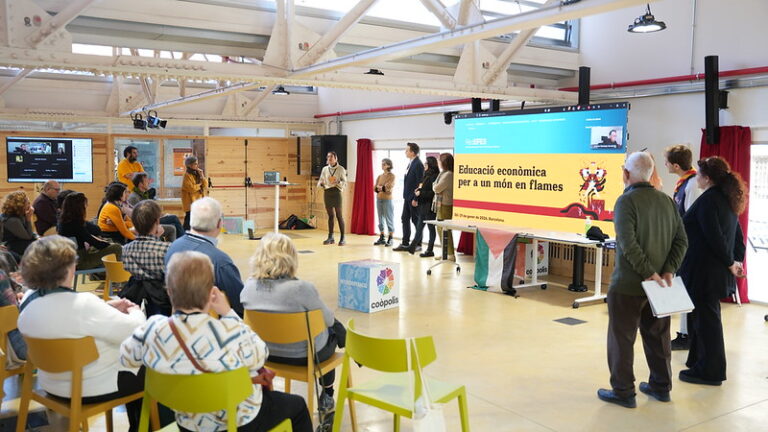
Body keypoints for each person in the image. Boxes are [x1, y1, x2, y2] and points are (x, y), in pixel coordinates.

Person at [121, 251, 312, 432]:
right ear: (211, 293)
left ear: (169, 291)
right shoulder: (230, 331)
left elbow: (126, 359)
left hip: (188, 423)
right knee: (298, 406)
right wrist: (228, 312)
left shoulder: (153, 329)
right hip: (238, 421)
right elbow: (261, 356)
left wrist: (135, 315)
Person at [17, 236, 146, 431]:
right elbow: (134, 329)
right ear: (68, 269)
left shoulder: (27, 302)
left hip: (50, 385)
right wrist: (135, 310)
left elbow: (64, 317)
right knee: (150, 368)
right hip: (90, 388)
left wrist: (107, 306)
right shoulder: (84, 304)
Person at [597, 152, 688, 408]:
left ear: (626, 173)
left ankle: (623, 391)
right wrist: (667, 270)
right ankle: (661, 386)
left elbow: (628, 244)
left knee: (622, 339)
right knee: (659, 337)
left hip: (628, 285)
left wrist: (648, 272)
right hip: (660, 287)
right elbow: (682, 241)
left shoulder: (626, 202)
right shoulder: (666, 201)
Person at [241, 233, 346, 421]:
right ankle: (327, 394)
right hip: (304, 356)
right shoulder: (302, 289)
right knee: (333, 331)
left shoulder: (248, 287)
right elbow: (328, 319)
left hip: (267, 355)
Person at [677, 156, 747, 386]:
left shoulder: (709, 200)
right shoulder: (725, 199)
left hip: (704, 272)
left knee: (707, 322)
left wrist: (730, 262)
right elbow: (737, 237)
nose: (696, 177)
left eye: (698, 174)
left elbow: (714, 236)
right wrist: (736, 261)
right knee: (702, 318)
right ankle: (698, 361)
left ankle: (711, 371)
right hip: (711, 272)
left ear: (707, 178)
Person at [165, 197, 244, 316]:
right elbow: (240, 303)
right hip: (212, 323)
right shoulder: (220, 262)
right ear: (219, 224)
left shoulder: (173, 247)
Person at [663, 144, 703, 351]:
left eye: (667, 162)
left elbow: (691, 217)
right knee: (681, 288)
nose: (665, 164)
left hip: (689, 245)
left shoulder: (692, 184)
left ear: (676, 165)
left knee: (686, 289)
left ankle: (687, 335)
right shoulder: (684, 182)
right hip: (681, 242)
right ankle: (684, 332)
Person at [120, 201, 171, 316]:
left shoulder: (126, 249)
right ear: (157, 222)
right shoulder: (167, 248)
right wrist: (158, 237)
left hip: (135, 297)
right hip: (162, 300)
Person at [58, 192, 123, 270]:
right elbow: (95, 243)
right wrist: (109, 244)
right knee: (117, 248)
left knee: (102, 246)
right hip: (81, 261)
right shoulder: (77, 224)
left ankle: (102, 274)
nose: (87, 206)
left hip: (69, 260)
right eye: (85, 204)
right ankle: (115, 275)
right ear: (79, 207)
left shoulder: (62, 222)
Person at [127, 172, 183, 241]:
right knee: (173, 218)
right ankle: (182, 242)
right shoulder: (134, 197)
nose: (149, 182)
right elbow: (140, 216)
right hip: (146, 223)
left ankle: (178, 243)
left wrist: (162, 215)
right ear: (140, 184)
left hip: (151, 219)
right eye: (146, 181)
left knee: (173, 222)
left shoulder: (144, 194)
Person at [393, 143, 424, 252]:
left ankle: (418, 244)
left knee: (416, 221)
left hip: (413, 198)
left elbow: (420, 183)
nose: (405, 152)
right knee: (404, 218)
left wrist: (416, 198)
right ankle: (405, 243)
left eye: (407, 150)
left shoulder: (418, 164)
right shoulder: (411, 163)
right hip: (407, 197)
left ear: (412, 152)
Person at [407, 156, 438, 257]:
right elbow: (421, 187)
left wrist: (421, 193)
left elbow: (432, 193)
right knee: (419, 226)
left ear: (430, 165)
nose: (424, 165)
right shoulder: (425, 175)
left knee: (431, 228)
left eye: (426, 164)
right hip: (422, 205)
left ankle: (430, 250)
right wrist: (417, 194)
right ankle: (412, 246)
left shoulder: (435, 176)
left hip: (430, 207)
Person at [317, 151, 347, 246]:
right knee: (330, 216)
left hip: (336, 192)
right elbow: (320, 180)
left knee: (339, 216)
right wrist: (321, 184)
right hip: (327, 192)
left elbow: (345, 182)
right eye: (328, 156)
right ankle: (330, 237)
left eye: (331, 157)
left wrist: (338, 182)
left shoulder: (341, 169)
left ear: (335, 158)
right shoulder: (325, 169)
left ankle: (343, 238)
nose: (329, 158)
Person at [1, 191, 38, 258]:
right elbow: (28, 236)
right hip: (8, 245)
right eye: (28, 203)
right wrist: (28, 219)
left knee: (37, 242)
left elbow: (28, 232)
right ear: (20, 205)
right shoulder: (12, 220)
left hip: (16, 241)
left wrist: (37, 237)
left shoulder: (19, 215)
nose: (30, 205)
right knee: (34, 245)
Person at [432, 153, 455, 261]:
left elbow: (436, 188)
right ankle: (445, 252)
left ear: (444, 162)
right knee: (440, 228)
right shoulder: (443, 173)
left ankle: (450, 254)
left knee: (445, 229)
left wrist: (434, 186)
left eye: (440, 161)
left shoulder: (448, 174)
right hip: (441, 204)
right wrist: (434, 186)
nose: (438, 163)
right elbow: (436, 186)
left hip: (445, 204)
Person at [181, 156, 207, 231]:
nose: (197, 165)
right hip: (190, 203)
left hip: (198, 202)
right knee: (188, 222)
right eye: (195, 164)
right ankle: (184, 235)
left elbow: (205, 185)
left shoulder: (197, 174)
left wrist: (202, 175)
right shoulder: (187, 175)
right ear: (189, 165)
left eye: (197, 163)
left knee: (196, 222)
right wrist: (199, 185)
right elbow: (191, 188)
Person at [373, 158, 396, 247]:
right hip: (379, 199)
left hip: (387, 200)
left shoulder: (392, 176)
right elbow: (375, 187)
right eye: (382, 164)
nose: (382, 165)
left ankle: (391, 237)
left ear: (389, 165)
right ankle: (382, 237)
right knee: (380, 218)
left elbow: (389, 187)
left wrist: (381, 187)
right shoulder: (380, 176)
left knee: (389, 218)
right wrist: (381, 187)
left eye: (384, 164)